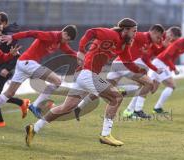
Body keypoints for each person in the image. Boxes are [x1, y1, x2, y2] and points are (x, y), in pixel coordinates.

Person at [25, 18, 146, 147]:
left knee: (66, 108)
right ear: (125, 30)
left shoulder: (124, 45)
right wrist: (81, 50)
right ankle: (105, 135)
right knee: (116, 97)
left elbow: (127, 62)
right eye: (134, 31)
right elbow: (90, 32)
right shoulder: (110, 34)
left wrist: (140, 70)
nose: (135, 34)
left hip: (83, 75)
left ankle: (34, 128)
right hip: (87, 74)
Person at [0, 25, 78, 128]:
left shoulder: (60, 42)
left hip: (23, 63)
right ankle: (35, 105)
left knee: (9, 93)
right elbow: (32, 33)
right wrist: (13, 37)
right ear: (65, 33)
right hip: (28, 63)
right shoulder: (52, 35)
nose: (67, 42)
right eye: (67, 39)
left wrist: (84, 58)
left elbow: (70, 52)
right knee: (57, 81)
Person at [74, 24, 165, 120]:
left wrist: (152, 68)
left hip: (117, 64)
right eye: (158, 37)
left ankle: (79, 107)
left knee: (100, 90)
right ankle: (136, 110)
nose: (159, 40)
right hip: (123, 64)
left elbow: (146, 57)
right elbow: (129, 36)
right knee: (149, 83)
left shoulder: (149, 43)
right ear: (154, 32)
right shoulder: (141, 36)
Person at [123, 26, 182, 118]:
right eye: (172, 38)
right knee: (147, 85)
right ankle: (134, 109)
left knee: (149, 88)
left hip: (146, 62)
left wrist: (163, 47)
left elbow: (155, 52)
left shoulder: (163, 41)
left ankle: (129, 110)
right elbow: (149, 53)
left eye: (173, 40)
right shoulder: (157, 36)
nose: (172, 41)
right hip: (141, 61)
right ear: (170, 33)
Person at [0, 12, 30, 127]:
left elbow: (16, 55)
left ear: (5, 23)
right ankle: (21, 102)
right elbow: (2, 52)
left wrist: (7, 69)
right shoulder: (1, 33)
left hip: (4, 69)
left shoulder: (9, 36)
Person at [149, 32, 184, 113]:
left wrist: (170, 68)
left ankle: (129, 93)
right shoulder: (180, 43)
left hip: (162, 64)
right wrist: (174, 68)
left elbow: (173, 56)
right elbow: (166, 56)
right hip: (160, 63)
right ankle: (157, 108)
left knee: (151, 89)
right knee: (171, 85)